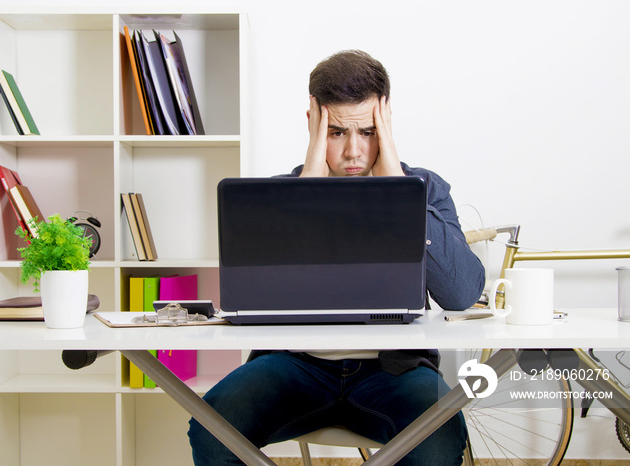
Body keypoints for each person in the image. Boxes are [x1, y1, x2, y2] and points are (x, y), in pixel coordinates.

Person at [188, 50, 485, 465]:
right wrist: (306, 190)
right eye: (336, 133)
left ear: (387, 126)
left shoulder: (426, 189)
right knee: (211, 424)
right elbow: (257, 296)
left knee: (440, 434)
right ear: (313, 124)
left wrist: (400, 193)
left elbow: (461, 293)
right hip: (294, 367)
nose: (352, 152)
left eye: (367, 131)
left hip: (394, 373)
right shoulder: (277, 195)